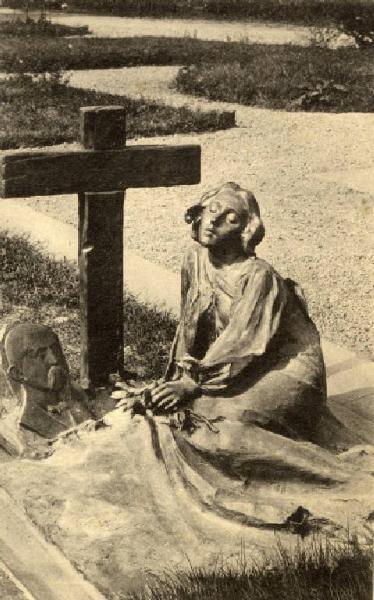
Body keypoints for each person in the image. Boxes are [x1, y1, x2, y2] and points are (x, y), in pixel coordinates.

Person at [150, 182, 327, 443]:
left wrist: (193, 383)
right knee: (181, 414)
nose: (214, 221)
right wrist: (179, 376)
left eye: (230, 220)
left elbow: (242, 338)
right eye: (213, 210)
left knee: (220, 425)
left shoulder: (258, 275)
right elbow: (189, 326)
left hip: (286, 367)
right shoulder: (194, 258)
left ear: (245, 232)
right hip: (237, 361)